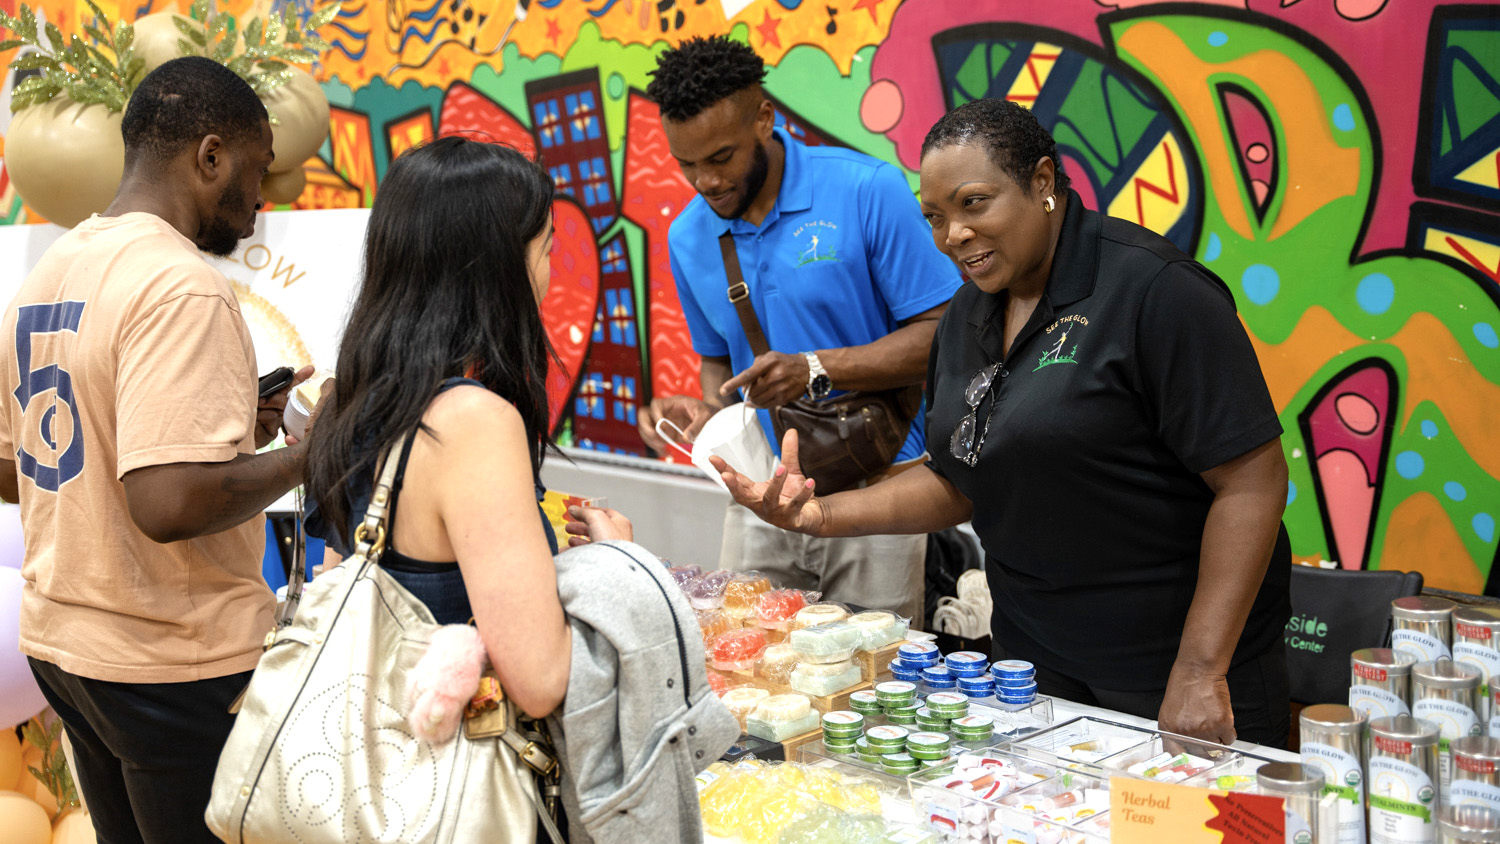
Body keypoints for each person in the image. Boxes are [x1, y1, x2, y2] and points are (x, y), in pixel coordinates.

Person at [714, 98, 1293, 748]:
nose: (952, 234)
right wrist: (817, 515)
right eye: (934, 217)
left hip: (1174, 672)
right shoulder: (969, 314)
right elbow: (961, 479)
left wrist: (1200, 669)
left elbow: (1253, 480)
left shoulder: (1154, 292)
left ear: (1042, 182)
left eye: (974, 203)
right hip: (1037, 668)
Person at [0, 57, 320, 843]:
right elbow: (167, 504)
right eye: (257, 168)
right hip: (171, 663)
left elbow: (20, 470)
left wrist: (229, 428)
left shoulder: (54, 270)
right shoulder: (181, 284)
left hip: (67, 650)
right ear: (210, 155)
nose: (261, 199)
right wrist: (311, 453)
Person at [638, 36, 963, 621]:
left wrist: (813, 368)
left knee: (873, 682)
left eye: (720, 157)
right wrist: (702, 411)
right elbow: (720, 367)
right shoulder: (687, 236)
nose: (705, 181)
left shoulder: (867, 190)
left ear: (764, 119)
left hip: (882, 489)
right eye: (685, 164)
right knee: (755, 673)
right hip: (761, 494)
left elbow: (943, 334)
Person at [304, 137, 628, 721]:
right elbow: (540, 682)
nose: (550, 275)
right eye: (546, 250)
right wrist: (617, 566)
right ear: (498, 267)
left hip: (374, 752)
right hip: (451, 778)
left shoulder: (348, 400)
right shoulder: (473, 424)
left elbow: (342, 591)